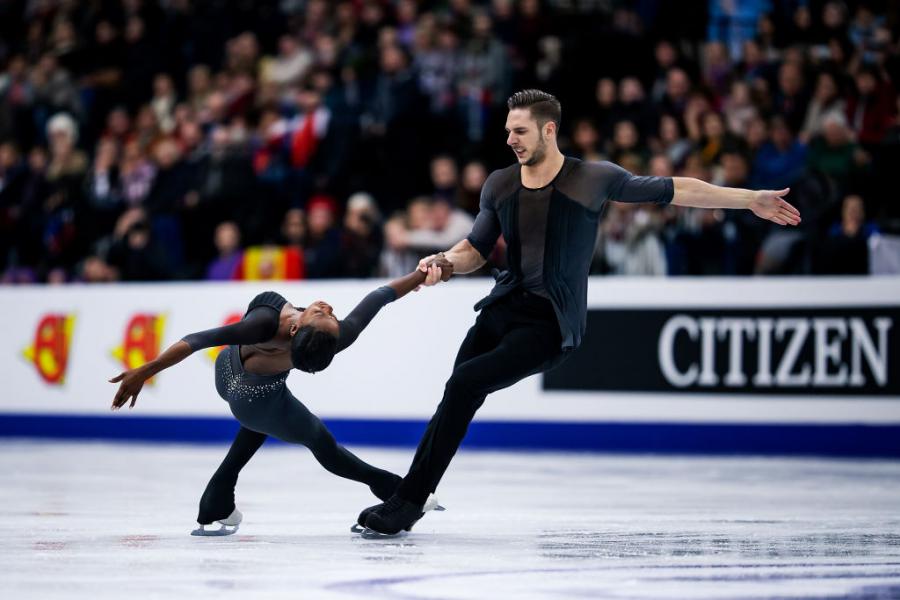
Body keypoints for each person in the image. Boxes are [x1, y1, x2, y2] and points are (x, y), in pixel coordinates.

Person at [359, 89, 801, 536]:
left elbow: (679, 189)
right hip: (502, 307)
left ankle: (408, 500)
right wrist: (447, 262)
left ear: (549, 130)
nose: (511, 139)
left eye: (521, 131)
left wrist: (749, 199)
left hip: (550, 322)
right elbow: (475, 248)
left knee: (464, 383)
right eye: (508, 131)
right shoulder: (500, 184)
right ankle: (409, 498)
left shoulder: (593, 178)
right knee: (456, 398)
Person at [109, 260, 452, 535]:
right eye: (326, 314)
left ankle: (215, 502)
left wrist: (421, 273)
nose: (329, 308)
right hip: (250, 393)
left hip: (236, 377)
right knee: (320, 440)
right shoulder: (287, 330)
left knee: (263, 426)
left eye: (327, 315)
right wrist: (144, 371)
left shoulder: (294, 329)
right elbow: (197, 339)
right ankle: (398, 491)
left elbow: (381, 295)